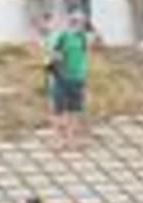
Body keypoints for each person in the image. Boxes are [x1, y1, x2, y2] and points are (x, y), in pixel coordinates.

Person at [48, 12, 91, 149]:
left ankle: (72, 139)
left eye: (82, 23)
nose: (80, 25)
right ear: (71, 22)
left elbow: (82, 58)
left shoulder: (82, 38)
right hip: (61, 78)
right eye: (77, 22)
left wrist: (83, 77)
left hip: (77, 78)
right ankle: (58, 140)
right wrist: (59, 74)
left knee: (75, 110)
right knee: (58, 110)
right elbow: (54, 56)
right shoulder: (61, 37)